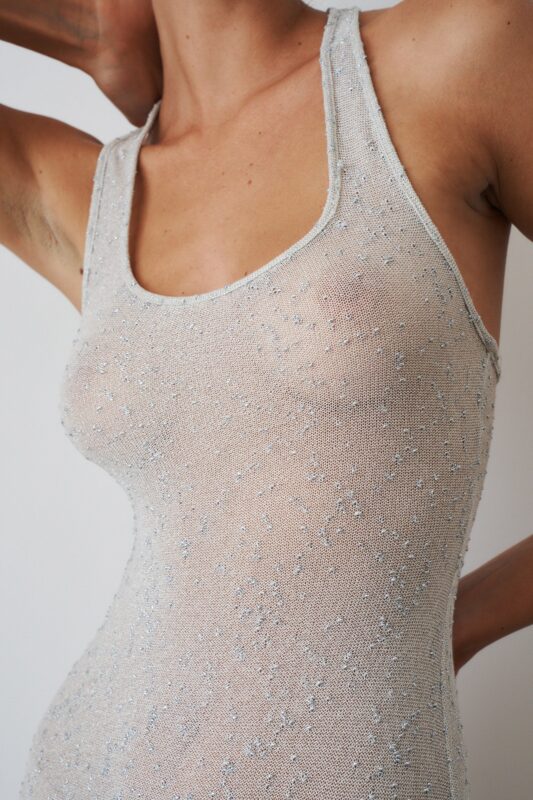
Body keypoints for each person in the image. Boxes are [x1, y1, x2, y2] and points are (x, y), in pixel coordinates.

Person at [1, 1, 532, 798]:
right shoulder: (82, 193)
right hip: (84, 768)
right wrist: (87, 29)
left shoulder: (460, 55)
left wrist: (453, 624)